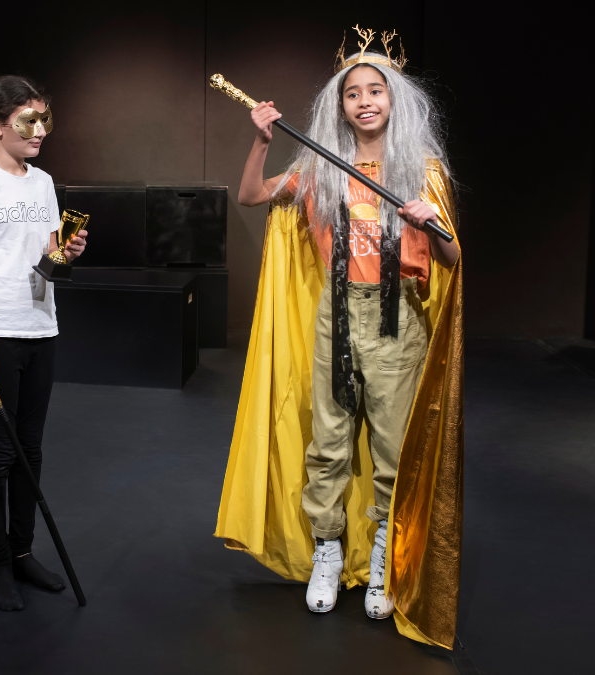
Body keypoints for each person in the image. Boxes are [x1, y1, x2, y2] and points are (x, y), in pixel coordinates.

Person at [213, 27, 464, 647]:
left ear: (395, 99)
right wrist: (261, 141)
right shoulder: (319, 166)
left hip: (398, 321)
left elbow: (452, 259)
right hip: (337, 315)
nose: (365, 101)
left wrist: (432, 222)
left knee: (391, 447)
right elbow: (252, 195)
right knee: (327, 442)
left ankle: (383, 558)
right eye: (353, 93)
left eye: (376, 90)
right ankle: (327, 549)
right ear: (339, 104)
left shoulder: (424, 171)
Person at [0, 75, 88, 611]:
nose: (40, 130)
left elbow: (47, 262)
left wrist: (67, 252)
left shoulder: (42, 182)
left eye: (45, 118)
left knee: (30, 450)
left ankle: (23, 553)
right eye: (28, 120)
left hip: (41, 328)